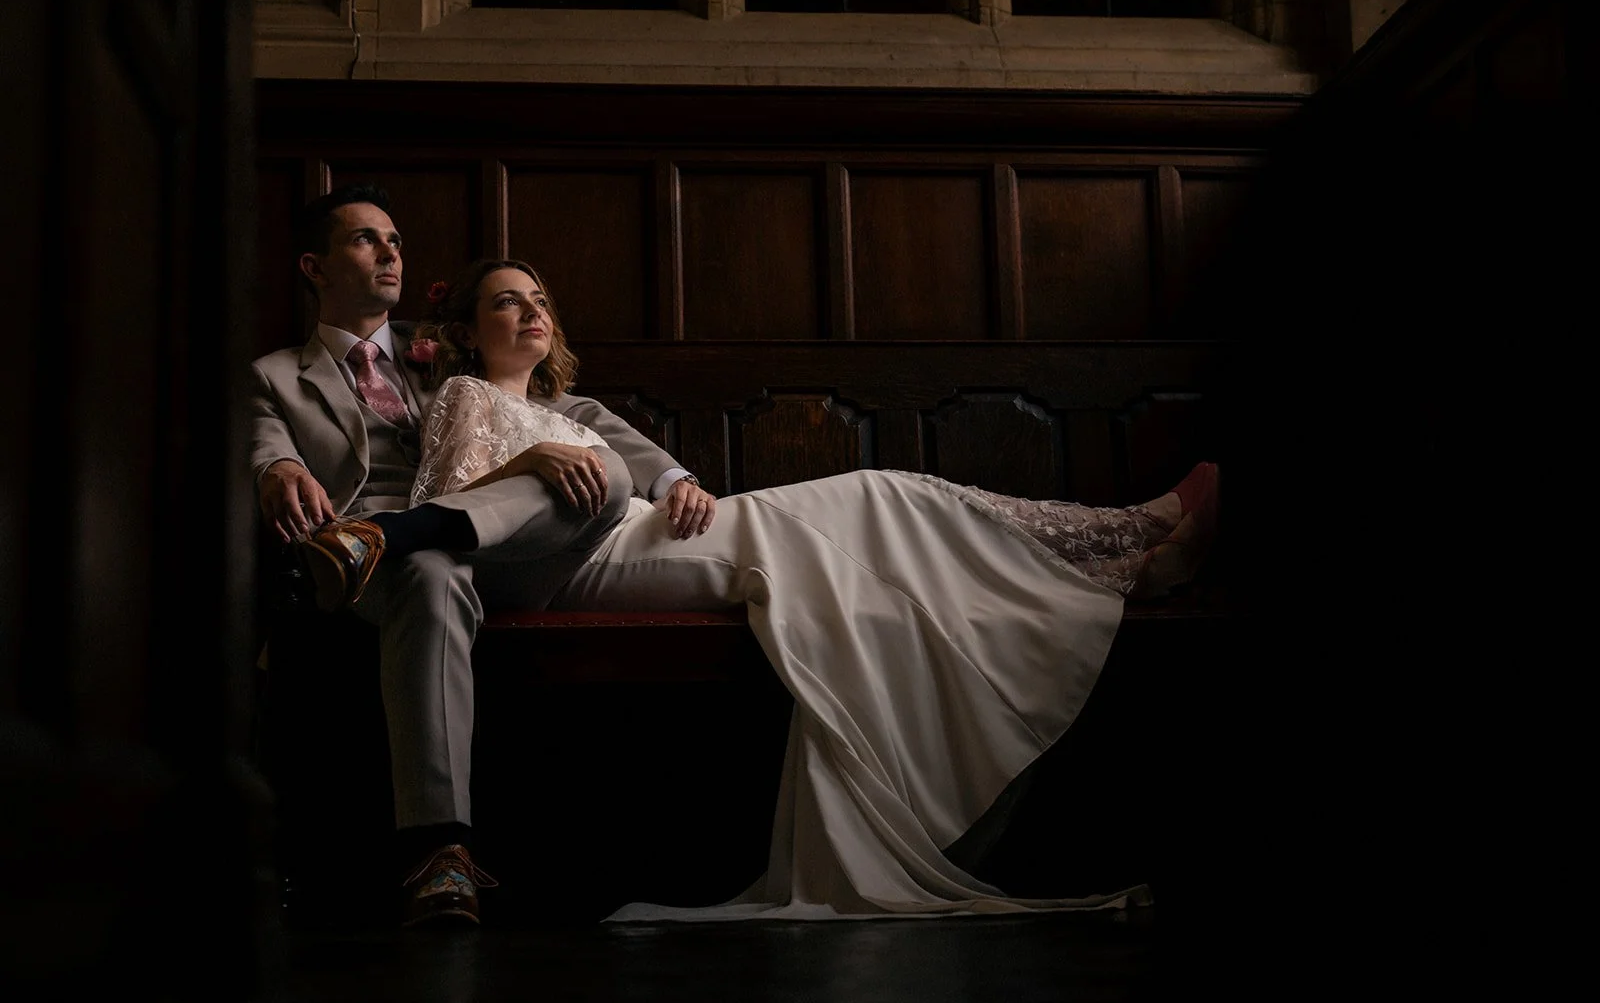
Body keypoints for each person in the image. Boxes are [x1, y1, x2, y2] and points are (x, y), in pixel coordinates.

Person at [389, 256, 1221, 921]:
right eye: (507, 302)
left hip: (648, 527)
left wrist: (679, 478)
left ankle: (1125, 542)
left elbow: (644, 458)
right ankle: (1128, 551)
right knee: (874, 498)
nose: (532, 311)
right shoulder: (464, 394)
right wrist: (540, 462)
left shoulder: (579, 405)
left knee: (889, 494)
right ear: (466, 330)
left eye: (539, 298)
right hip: (572, 564)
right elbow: (457, 506)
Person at [247, 185, 720, 927]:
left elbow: (567, 409)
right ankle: (441, 852)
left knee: (604, 475)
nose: (391, 251)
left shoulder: (446, 347)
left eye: (396, 239)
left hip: (504, 549)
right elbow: (262, 447)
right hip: (375, 569)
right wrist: (276, 470)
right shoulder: (273, 374)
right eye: (367, 240)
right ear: (315, 265)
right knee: (429, 573)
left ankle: (391, 533)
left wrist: (670, 475)